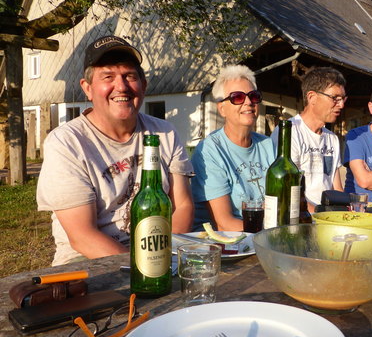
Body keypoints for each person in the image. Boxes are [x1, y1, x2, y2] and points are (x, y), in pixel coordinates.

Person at [37, 35, 194, 266]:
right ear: (87, 88)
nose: (121, 86)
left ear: (143, 85)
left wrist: (163, 258)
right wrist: (142, 267)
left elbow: (183, 206)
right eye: (108, 76)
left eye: (129, 76)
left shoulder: (165, 133)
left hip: (158, 252)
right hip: (88, 260)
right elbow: (83, 237)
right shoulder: (66, 142)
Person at [191, 65, 275, 231]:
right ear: (222, 109)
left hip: (266, 233)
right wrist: (275, 232)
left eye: (254, 96)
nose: (248, 102)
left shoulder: (268, 145)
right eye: (238, 97)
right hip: (224, 241)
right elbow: (224, 223)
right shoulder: (209, 151)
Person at [271, 67, 346, 212]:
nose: (341, 104)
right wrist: (322, 214)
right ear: (312, 97)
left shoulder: (332, 138)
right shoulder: (289, 132)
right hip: (299, 217)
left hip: (326, 216)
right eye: (335, 98)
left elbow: (336, 187)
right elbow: (287, 192)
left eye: (343, 98)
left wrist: (344, 213)